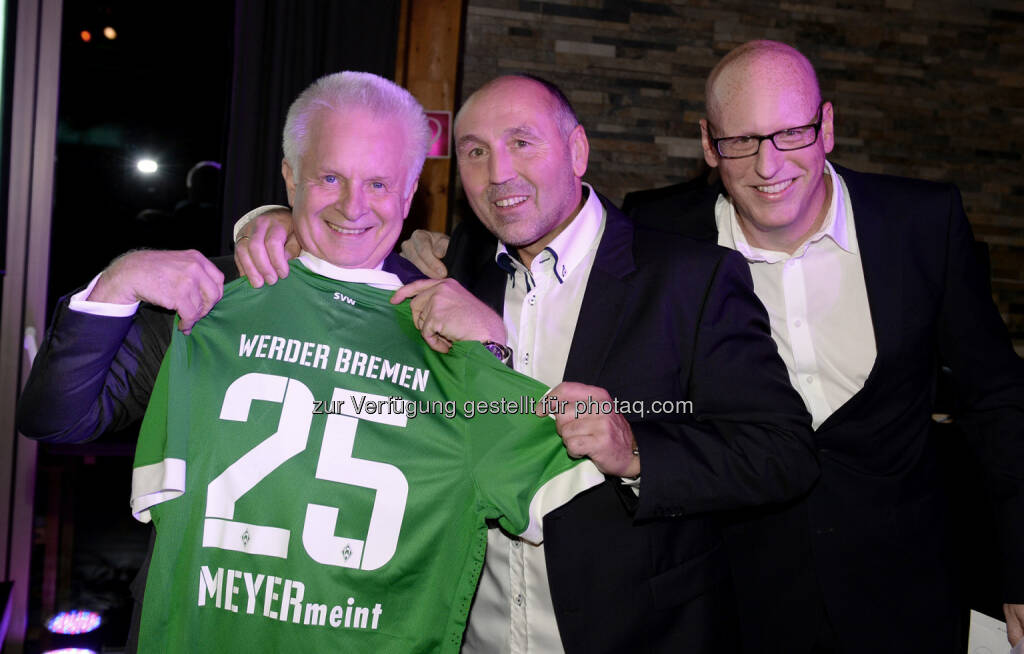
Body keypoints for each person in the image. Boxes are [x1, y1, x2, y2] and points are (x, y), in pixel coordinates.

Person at [18, 72, 606, 653]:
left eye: (379, 184)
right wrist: (114, 285)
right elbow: (55, 418)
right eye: (330, 177)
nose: (353, 206)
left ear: (409, 193)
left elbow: (563, 499)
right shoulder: (209, 301)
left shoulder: (448, 321)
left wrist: (492, 353)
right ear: (290, 178)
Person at [234, 74, 819, 652]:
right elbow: (349, 243)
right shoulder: (453, 265)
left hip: (637, 632)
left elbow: (782, 453)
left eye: (522, 143)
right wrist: (277, 223)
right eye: (475, 152)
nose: (500, 174)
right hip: (473, 633)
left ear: (577, 150)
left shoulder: (689, 278)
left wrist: (636, 452)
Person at [621, 40, 1024, 652]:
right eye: (742, 141)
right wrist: (440, 258)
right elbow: (543, 247)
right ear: (708, 144)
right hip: (726, 599)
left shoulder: (921, 222)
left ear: (827, 126)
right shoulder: (654, 231)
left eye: (791, 134)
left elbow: (998, 400)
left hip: (906, 598)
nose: (769, 164)